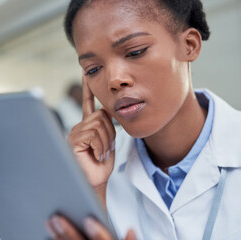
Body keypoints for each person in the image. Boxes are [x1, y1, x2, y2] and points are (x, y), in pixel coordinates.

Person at [45, 0, 241, 239]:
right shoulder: (95, 172)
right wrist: (90, 193)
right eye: (93, 69)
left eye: (135, 51)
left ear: (189, 45)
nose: (114, 80)